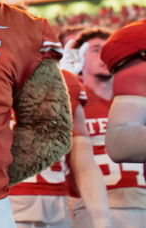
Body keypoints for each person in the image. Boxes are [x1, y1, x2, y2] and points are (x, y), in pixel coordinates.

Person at [8, 45, 111, 228]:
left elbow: (83, 162)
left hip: (57, 207)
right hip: (3, 203)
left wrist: (101, 219)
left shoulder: (67, 82)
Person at [74, 28, 146, 227]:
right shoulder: (72, 98)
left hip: (141, 199)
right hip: (93, 204)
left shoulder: (136, 98)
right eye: (97, 50)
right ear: (80, 58)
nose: (106, 56)